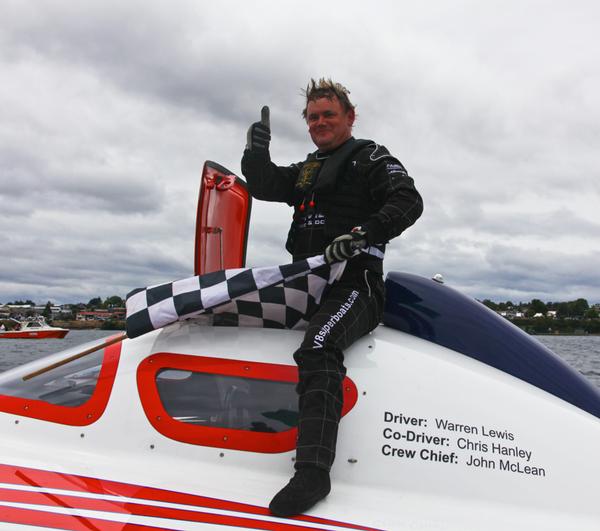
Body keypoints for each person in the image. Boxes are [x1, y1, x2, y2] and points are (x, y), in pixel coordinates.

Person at [241, 78, 423, 517]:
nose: (320, 123)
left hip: (356, 282)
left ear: (349, 117)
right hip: (308, 282)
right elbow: (266, 185)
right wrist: (256, 151)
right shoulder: (307, 170)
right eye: (313, 117)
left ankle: (313, 473)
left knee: (318, 348)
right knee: (222, 314)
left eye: (329, 115)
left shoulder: (370, 157)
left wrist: (364, 234)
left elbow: (409, 200)